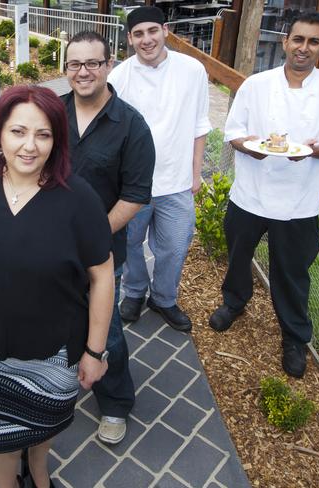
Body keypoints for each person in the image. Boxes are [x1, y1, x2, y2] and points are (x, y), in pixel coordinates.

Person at [0, 85, 115, 488]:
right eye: (18, 132)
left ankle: (39, 472)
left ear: (57, 140)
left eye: (43, 134)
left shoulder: (79, 199)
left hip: (54, 353)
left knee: (44, 423)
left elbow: (103, 274)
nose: (30, 146)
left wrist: (95, 350)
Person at [208, 12, 319, 378]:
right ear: (284, 42)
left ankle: (294, 336)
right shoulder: (256, 85)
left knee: (291, 273)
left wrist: (314, 150)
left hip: (299, 202)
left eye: (313, 42)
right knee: (239, 257)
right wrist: (250, 147)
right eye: (298, 39)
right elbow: (235, 132)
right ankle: (235, 302)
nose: (303, 48)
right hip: (250, 195)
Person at [61, 31, 155, 445]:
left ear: (108, 65)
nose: (83, 72)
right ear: (65, 70)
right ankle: (61, 381)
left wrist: (91, 236)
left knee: (106, 327)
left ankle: (115, 403)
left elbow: (135, 196)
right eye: (74, 64)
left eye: (92, 63)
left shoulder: (131, 125)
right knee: (58, 317)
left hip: (100, 251)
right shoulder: (52, 114)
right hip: (50, 247)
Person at [108, 6, 211, 332]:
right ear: (130, 38)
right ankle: (135, 291)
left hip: (177, 183)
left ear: (165, 30)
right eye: (138, 34)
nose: (146, 39)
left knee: (175, 247)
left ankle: (164, 298)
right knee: (129, 244)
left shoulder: (192, 70)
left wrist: (196, 174)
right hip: (133, 187)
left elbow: (199, 124)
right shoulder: (118, 77)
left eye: (152, 31)